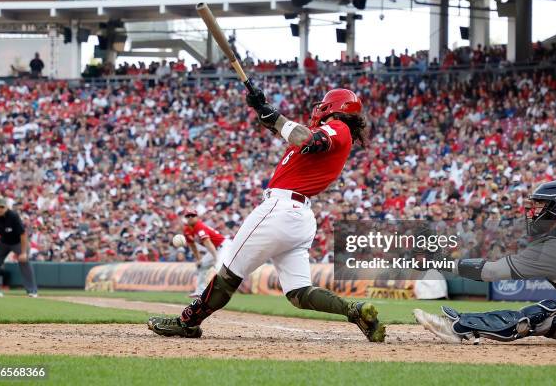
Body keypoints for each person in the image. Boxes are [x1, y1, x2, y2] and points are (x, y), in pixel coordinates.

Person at [147, 87, 385, 343]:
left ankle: (187, 322)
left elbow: (308, 138)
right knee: (299, 293)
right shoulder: (337, 132)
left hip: (280, 209)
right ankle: (354, 311)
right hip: (299, 216)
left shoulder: (337, 127)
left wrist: (276, 117)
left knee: (228, 275)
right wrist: (263, 109)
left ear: (332, 108)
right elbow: (293, 134)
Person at [414, 180, 556, 344]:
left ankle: (458, 327)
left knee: (545, 313)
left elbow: (492, 272)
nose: (533, 211)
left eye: (540, 205)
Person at [0, 197, 38, 297]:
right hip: (4, 242)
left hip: (18, 242)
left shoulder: (13, 216)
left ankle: (32, 291)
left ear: (7, 207)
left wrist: (23, 252)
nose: (0, 209)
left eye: (2, 207)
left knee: (24, 261)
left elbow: (23, 234)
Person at [182, 208, 231, 298]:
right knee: (202, 265)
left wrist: (216, 257)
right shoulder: (187, 230)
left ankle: (221, 292)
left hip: (224, 246)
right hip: (215, 248)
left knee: (219, 266)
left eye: (192, 215)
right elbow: (193, 246)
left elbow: (208, 243)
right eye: (188, 216)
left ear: (197, 217)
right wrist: (199, 259)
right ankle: (200, 291)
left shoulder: (199, 226)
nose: (190, 217)